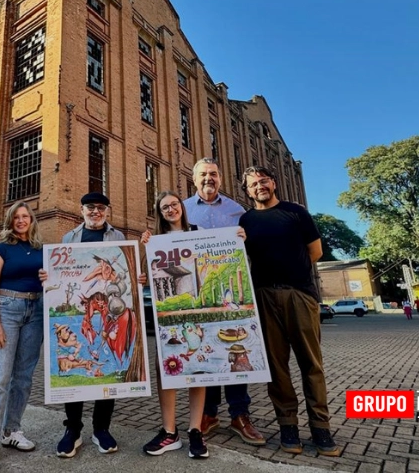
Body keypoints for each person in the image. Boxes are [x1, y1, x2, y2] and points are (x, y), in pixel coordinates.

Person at [239, 166, 342, 457]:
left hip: (299, 294)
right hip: (264, 296)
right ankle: (288, 426)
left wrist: (293, 274)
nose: (259, 186)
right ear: (247, 191)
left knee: (311, 363)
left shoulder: (296, 213)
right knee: (276, 366)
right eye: (253, 184)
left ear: (273, 183)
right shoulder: (246, 220)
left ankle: (321, 427)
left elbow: (315, 251)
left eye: (263, 181)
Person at [182, 158, 264, 446]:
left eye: (213, 174)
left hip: (232, 293)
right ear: (194, 179)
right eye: (203, 174)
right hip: (198, 294)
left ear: (220, 178)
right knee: (208, 352)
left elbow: (253, 249)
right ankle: (209, 413)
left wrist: (246, 238)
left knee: (236, 350)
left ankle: (240, 414)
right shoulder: (183, 209)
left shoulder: (238, 211)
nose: (209, 178)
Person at [53, 192, 128, 458]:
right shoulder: (69, 238)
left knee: (106, 364)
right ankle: (72, 429)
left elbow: (123, 276)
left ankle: (101, 428)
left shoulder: (118, 237)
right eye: (90, 207)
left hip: (109, 307)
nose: (95, 211)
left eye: (101, 207)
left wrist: (134, 278)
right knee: (77, 359)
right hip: (82, 307)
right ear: (81, 209)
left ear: (107, 211)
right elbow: (62, 275)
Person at [0, 201, 45, 472]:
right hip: (7, 309)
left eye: (25, 216)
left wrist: (47, 277)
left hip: (36, 311)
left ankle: (11, 431)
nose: (21, 220)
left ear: (32, 220)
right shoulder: (2, 249)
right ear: (10, 220)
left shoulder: (41, 249)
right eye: (16, 217)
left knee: (24, 376)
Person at [139, 191, 208, 459]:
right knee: (166, 368)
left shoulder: (198, 232)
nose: (170, 210)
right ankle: (169, 431)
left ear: (182, 206)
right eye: (164, 207)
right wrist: (144, 252)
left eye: (174, 204)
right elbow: (145, 277)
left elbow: (215, 258)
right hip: (166, 314)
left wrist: (238, 239)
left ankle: (195, 430)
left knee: (197, 367)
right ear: (159, 212)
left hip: (195, 307)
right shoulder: (155, 239)